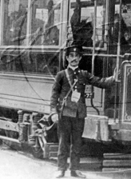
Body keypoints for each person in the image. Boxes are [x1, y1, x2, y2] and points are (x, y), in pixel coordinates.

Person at [50, 45, 116, 178]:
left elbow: (100, 82)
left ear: (80, 58)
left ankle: (75, 170)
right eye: (71, 56)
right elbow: (54, 95)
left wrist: (113, 78)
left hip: (79, 114)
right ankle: (60, 169)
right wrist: (53, 112)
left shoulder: (84, 74)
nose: (74, 59)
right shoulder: (61, 75)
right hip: (65, 113)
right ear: (67, 58)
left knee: (77, 143)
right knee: (63, 142)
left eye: (77, 56)